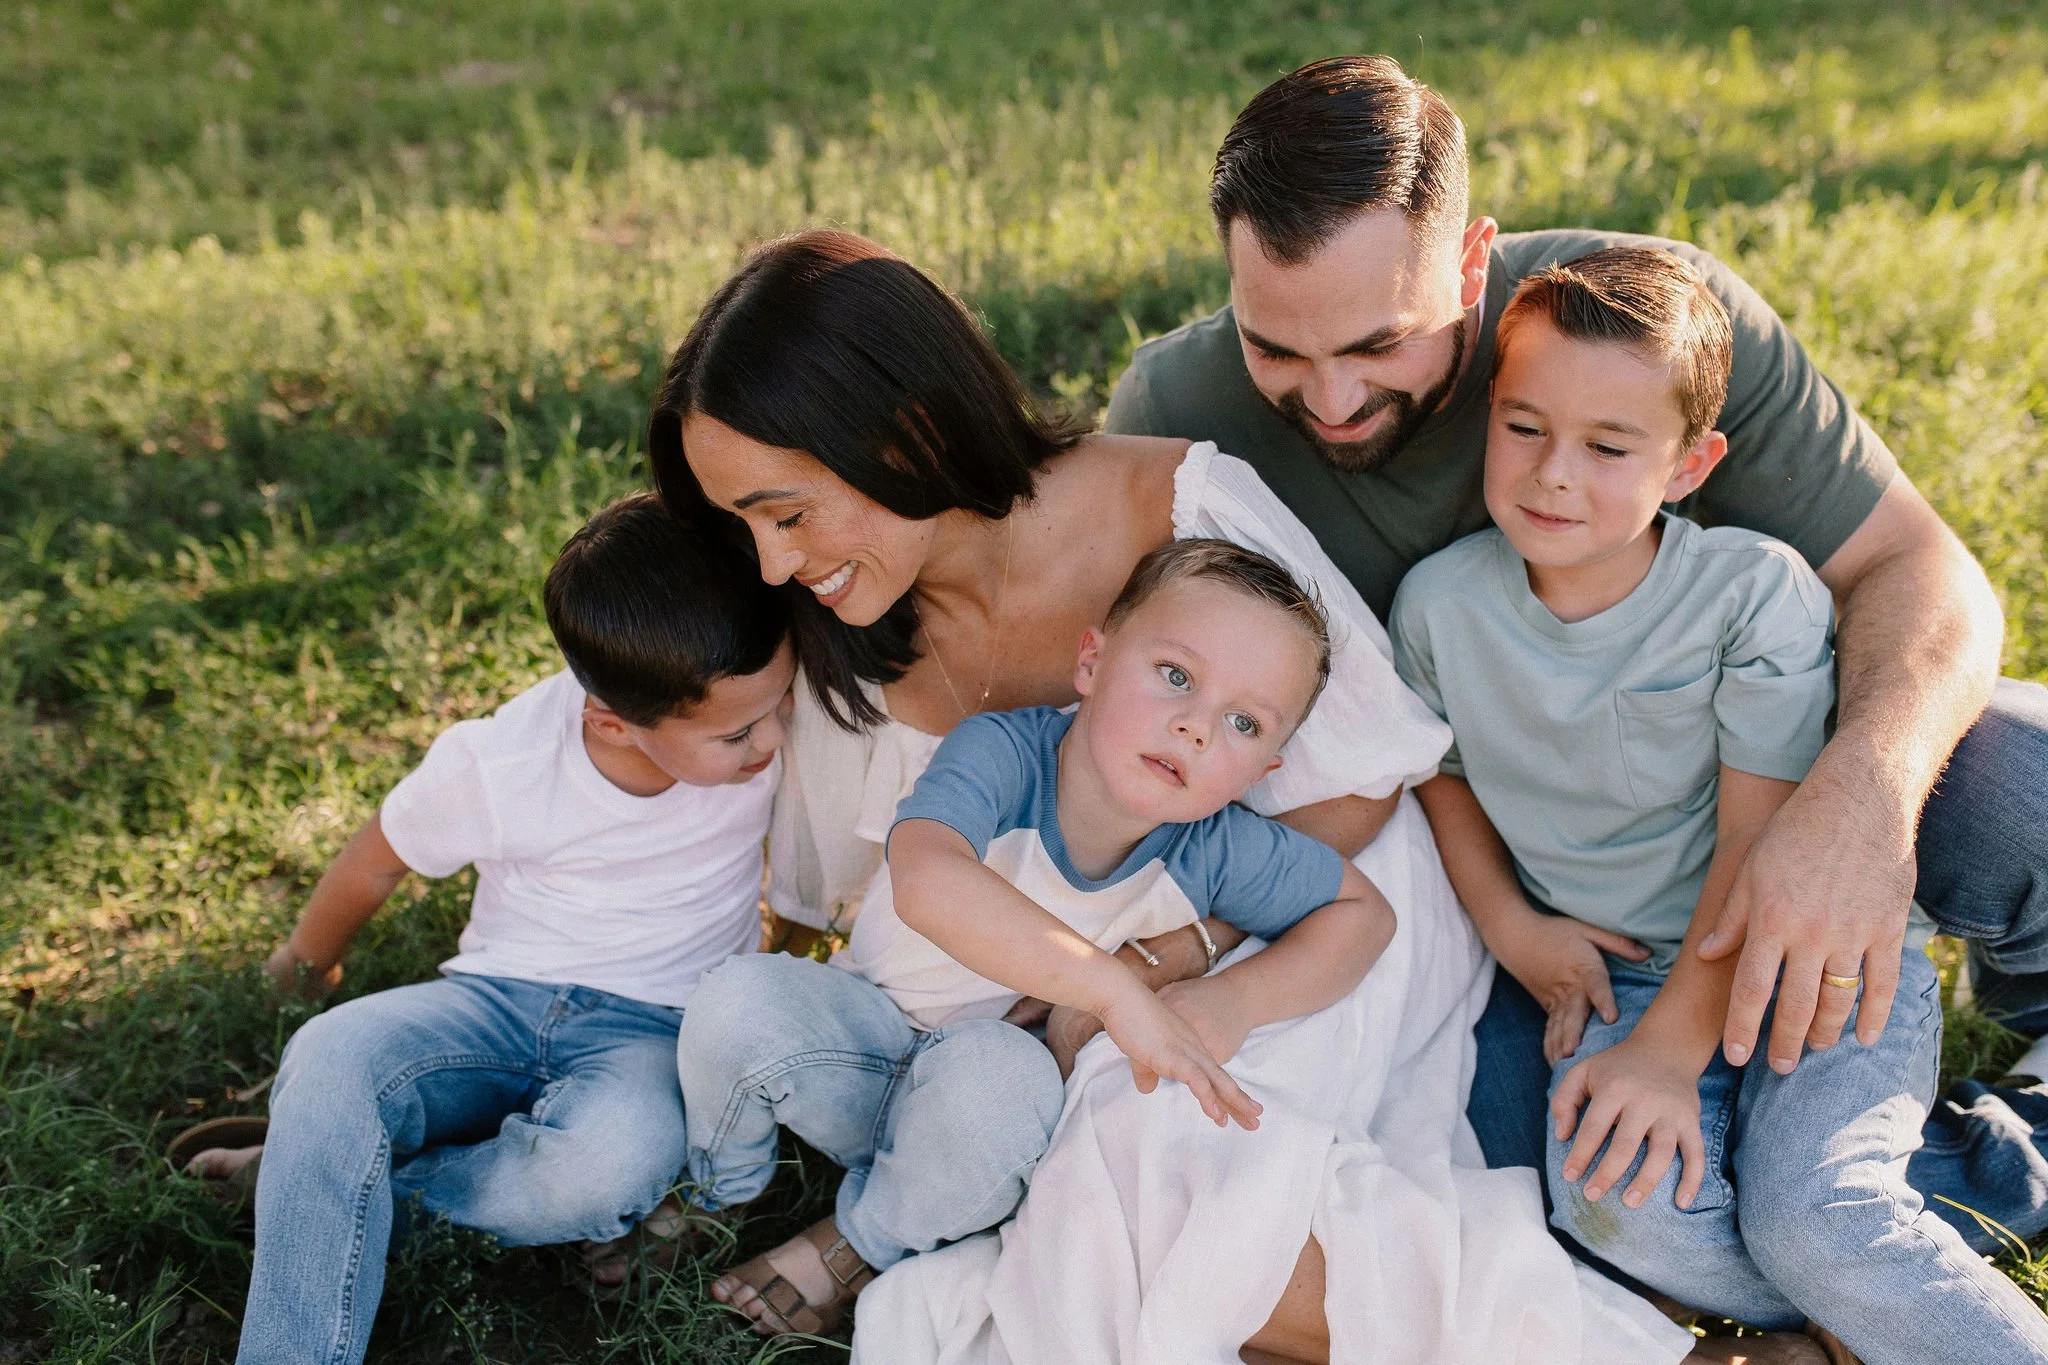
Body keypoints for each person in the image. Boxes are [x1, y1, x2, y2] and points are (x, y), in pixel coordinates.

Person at [655, 228, 1705, 1363]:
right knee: (1077, 1164)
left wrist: (1150, 966)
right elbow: (835, 904)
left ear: (900, 432)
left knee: (1150, 1152)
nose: (768, 564)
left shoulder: (1176, 504)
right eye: (743, 525)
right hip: (1018, 992)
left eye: (788, 511)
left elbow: (1362, 780)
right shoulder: (831, 623)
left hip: (1280, 909)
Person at [1102, 52, 2048, 1248]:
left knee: (2023, 785)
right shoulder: (1173, 415)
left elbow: (1918, 572)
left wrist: (1859, 798)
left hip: (1746, 786)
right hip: (1493, 915)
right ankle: (1906, 1208)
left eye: (1378, 344)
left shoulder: (1641, 324)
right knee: (1585, 1210)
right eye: (1277, 350)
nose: (1330, 399)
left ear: (1469, 261)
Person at [1389, 246, 2048, 1364]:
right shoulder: (1438, 607)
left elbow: (1756, 840)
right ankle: (1864, 1281)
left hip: (1801, 952)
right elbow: (1440, 778)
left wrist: (1662, 1053)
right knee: (1607, 1208)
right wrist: (1514, 928)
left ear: (1689, 465)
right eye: (1523, 428)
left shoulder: (1749, 595)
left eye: (1607, 447)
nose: (1553, 474)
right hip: (1610, 972)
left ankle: (1852, 1263)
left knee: (1812, 1218)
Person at [676, 539, 1398, 1337]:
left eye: (1243, 722)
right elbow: (928, 879)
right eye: (1176, 676)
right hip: (860, 1031)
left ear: (1265, 768)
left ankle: (856, 1241)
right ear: (1091, 660)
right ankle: (719, 1187)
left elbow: (1363, 914)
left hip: (980, 1109)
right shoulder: (1005, 752)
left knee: (1004, 1082)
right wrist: (1116, 990)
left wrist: (1231, 998)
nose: (1195, 726)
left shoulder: (1215, 848)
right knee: (736, 1000)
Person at [199, 494, 796, 1365]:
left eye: (780, 705)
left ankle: (312, 1186)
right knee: (331, 1056)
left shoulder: (751, 701)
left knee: (602, 1167)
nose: (772, 739)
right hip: (492, 1003)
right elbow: (377, 858)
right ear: (611, 721)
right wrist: (305, 961)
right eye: (738, 732)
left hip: (652, 1031)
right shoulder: (504, 762)